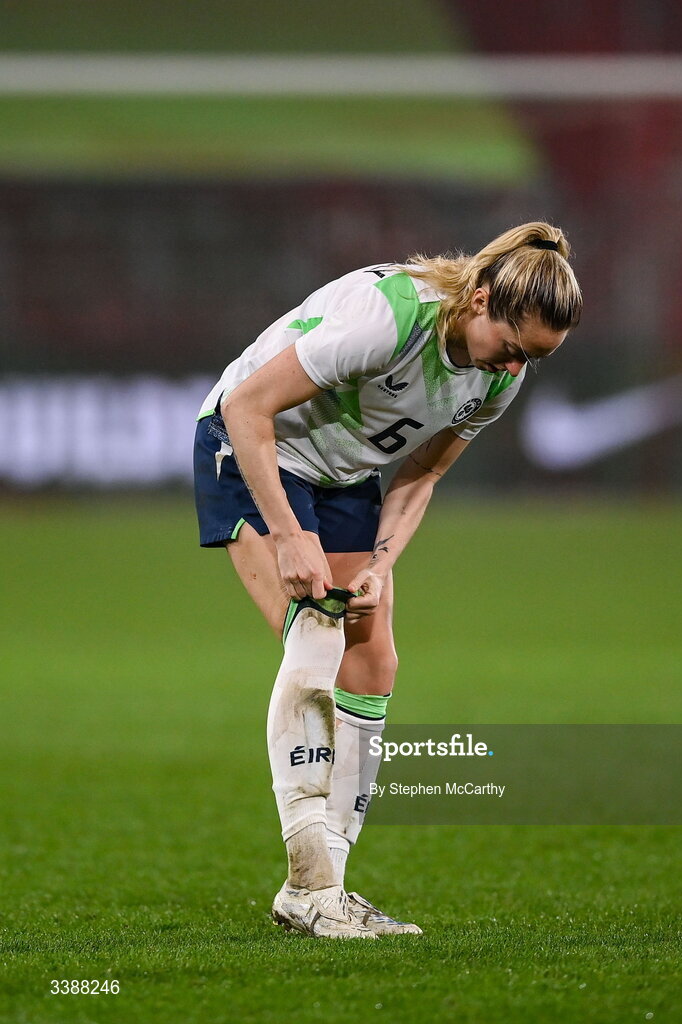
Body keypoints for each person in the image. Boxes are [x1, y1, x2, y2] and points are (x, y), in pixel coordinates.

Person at [193, 221, 582, 939]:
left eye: (532, 359)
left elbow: (424, 471)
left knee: (374, 661)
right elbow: (247, 408)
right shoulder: (389, 317)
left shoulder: (501, 376)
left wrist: (380, 562)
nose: (511, 368)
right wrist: (289, 535)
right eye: (512, 346)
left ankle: (322, 890)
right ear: (480, 300)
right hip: (252, 448)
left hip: (340, 479)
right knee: (315, 633)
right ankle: (310, 882)